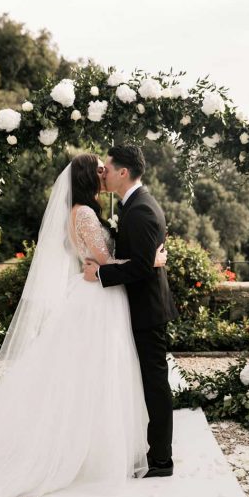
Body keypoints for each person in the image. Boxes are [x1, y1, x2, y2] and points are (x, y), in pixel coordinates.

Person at [0, 153, 167, 497]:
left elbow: (102, 261)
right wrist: (152, 262)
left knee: (94, 376)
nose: (104, 174)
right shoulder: (83, 213)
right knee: (91, 374)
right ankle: (81, 449)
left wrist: (124, 262)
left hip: (99, 298)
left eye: (106, 168)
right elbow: (101, 260)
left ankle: (94, 445)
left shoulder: (86, 210)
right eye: (98, 170)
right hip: (96, 300)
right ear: (86, 177)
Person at [84, 144, 179, 478]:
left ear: (123, 172)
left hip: (147, 310)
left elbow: (140, 267)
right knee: (148, 382)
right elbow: (142, 258)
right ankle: (150, 450)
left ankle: (162, 460)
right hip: (140, 307)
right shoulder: (133, 205)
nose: (104, 173)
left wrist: (101, 274)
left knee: (155, 384)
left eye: (107, 168)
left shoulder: (140, 210)